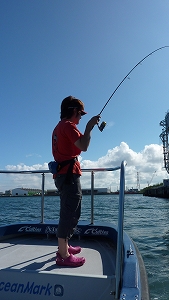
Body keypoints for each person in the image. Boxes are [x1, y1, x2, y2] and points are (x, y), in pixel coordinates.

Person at [52, 95, 100, 267]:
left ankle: (64, 246)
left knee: (71, 211)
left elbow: (79, 144)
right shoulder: (68, 126)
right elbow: (84, 146)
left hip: (64, 175)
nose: (81, 117)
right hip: (69, 175)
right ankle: (63, 255)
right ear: (73, 111)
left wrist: (87, 128)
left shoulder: (60, 127)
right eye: (80, 114)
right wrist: (89, 127)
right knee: (69, 213)